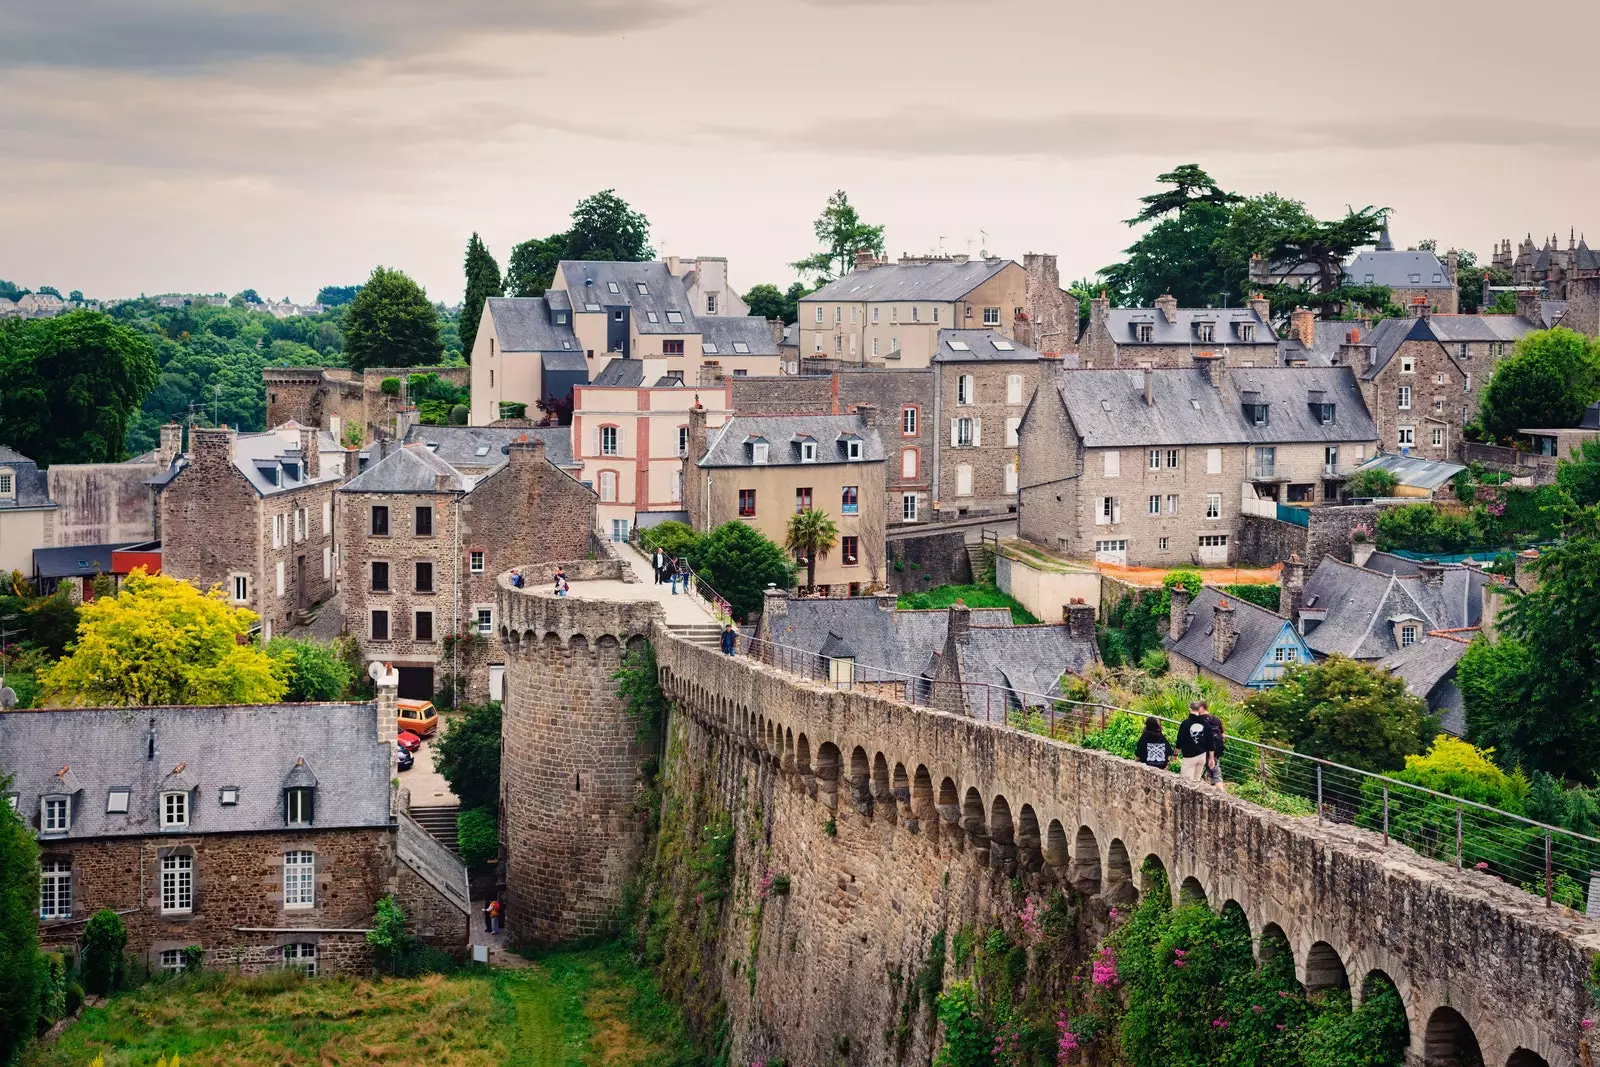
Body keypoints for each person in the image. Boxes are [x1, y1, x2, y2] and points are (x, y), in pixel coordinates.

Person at [1176, 702, 1212, 781]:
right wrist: (1211, 758)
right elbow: (1210, 742)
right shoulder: (1206, 724)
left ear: (1190, 709)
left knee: (1186, 781)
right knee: (1196, 780)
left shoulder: (1185, 723)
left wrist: (1175, 753)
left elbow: (1179, 740)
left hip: (1189, 756)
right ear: (1199, 710)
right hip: (1202, 755)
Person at [1203, 712, 1226, 785]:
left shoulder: (1199, 720)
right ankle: (1219, 793)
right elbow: (1223, 736)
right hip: (1215, 752)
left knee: (1212, 775)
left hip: (1203, 752)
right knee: (1215, 774)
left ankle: (1220, 794)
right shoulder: (1216, 719)